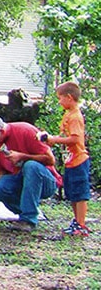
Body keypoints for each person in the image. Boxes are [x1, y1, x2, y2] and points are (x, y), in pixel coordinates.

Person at [0, 113, 62, 232]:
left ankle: (28, 219)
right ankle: (26, 212)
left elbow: (50, 160)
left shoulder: (25, 130)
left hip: (45, 181)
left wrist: (22, 156)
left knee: (30, 166)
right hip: (20, 181)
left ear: (1, 131)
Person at [41, 81, 91, 237]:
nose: (59, 102)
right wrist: (51, 139)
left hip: (79, 160)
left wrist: (55, 140)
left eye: (60, 98)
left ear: (69, 97)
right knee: (72, 193)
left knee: (80, 193)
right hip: (70, 161)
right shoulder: (68, 114)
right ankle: (77, 221)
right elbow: (66, 137)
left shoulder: (75, 116)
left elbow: (75, 139)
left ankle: (81, 225)